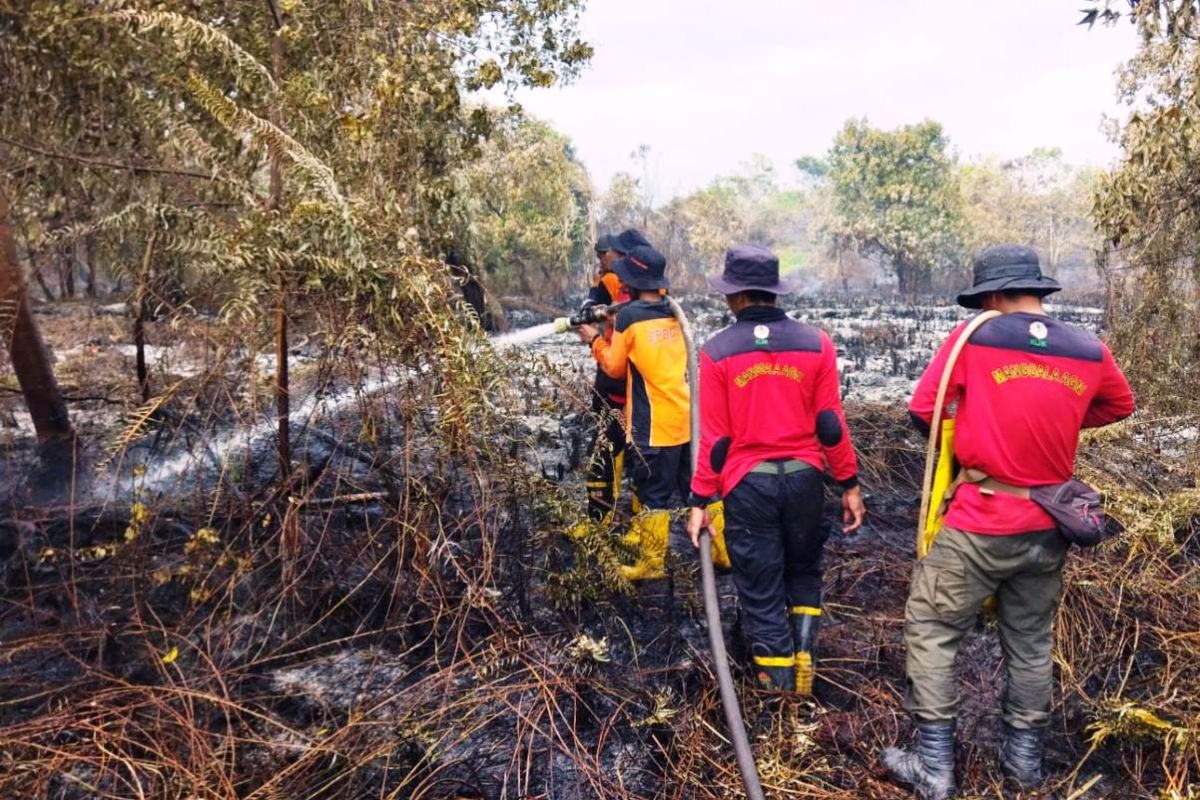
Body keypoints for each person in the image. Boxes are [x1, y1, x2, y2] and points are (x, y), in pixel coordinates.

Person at [881, 245, 1135, 799]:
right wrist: (1057, 415)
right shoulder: (1088, 348)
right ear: (1038, 291)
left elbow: (924, 411)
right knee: (1030, 642)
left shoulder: (974, 338)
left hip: (981, 521)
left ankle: (934, 769)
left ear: (992, 297)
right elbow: (1120, 404)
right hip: (1048, 526)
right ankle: (1023, 770)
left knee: (932, 627)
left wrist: (984, 420)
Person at [685, 245, 865, 694]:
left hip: (749, 486)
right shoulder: (816, 342)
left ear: (735, 296)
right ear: (772, 292)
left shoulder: (717, 351)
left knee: (761, 586)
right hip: (805, 480)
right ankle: (803, 662)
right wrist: (849, 484)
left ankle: (778, 693)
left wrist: (700, 500)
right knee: (803, 570)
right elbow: (830, 423)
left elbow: (717, 440)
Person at [577, 243, 700, 581]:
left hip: (653, 424)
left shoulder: (630, 317)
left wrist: (594, 340)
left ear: (632, 282)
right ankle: (722, 556)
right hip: (685, 416)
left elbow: (615, 369)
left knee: (652, 494)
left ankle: (651, 563)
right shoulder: (672, 311)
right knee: (697, 488)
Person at [569, 234, 632, 532]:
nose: (600, 259)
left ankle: (598, 520)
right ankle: (628, 523)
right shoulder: (651, 288)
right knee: (625, 449)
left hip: (614, 372)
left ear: (617, 254)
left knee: (605, 447)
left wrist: (589, 330)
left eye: (604, 253)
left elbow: (590, 306)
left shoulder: (611, 280)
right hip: (631, 377)